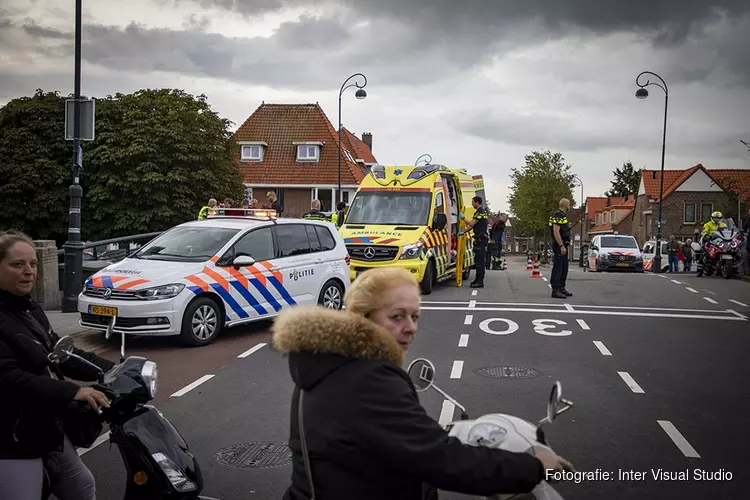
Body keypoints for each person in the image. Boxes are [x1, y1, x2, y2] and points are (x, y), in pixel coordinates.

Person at [272, 267, 574, 500]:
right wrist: (533, 468)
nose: (411, 328)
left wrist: (433, 431)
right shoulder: (370, 378)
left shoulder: (327, 361)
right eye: (397, 316)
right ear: (362, 317)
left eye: (415, 316)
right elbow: (440, 460)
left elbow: (371, 438)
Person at [0, 230, 115, 500]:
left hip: (44, 421)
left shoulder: (28, 308)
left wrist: (110, 368)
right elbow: (7, 377)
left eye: (32, 263)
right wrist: (72, 392)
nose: (29, 271)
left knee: (82, 486)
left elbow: (60, 351)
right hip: (12, 436)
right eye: (17, 265)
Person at [460, 196, 489, 288]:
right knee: (478, 261)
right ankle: (477, 280)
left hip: (481, 240)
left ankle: (480, 281)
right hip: (479, 239)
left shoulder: (480, 212)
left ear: (477, 202)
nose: (472, 204)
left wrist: (463, 218)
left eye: (473, 202)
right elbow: (472, 226)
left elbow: (471, 223)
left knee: (480, 262)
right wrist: (463, 232)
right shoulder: (479, 212)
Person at [549, 198, 572, 299]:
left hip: (564, 245)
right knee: (558, 268)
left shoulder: (562, 215)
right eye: (569, 204)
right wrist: (561, 245)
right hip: (560, 246)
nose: (570, 206)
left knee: (564, 268)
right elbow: (556, 231)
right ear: (566, 205)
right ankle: (555, 290)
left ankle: (562, 288)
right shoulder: (558, 215)